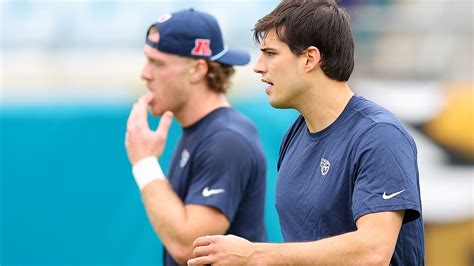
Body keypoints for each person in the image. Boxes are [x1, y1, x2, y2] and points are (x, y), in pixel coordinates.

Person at [189, 0, 425, 265]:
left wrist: (254, 254)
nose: (258, 65)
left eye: (270, 53)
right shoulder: (294, 135)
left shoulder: (380, 136)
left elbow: (373, 252)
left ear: (310, 58)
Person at [124, 8, 267, 266]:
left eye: (157, 63)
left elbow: (189, 247)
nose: (145, 73)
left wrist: (144, 163)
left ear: (198, 70)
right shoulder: (201, 130)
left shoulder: (226, 140)